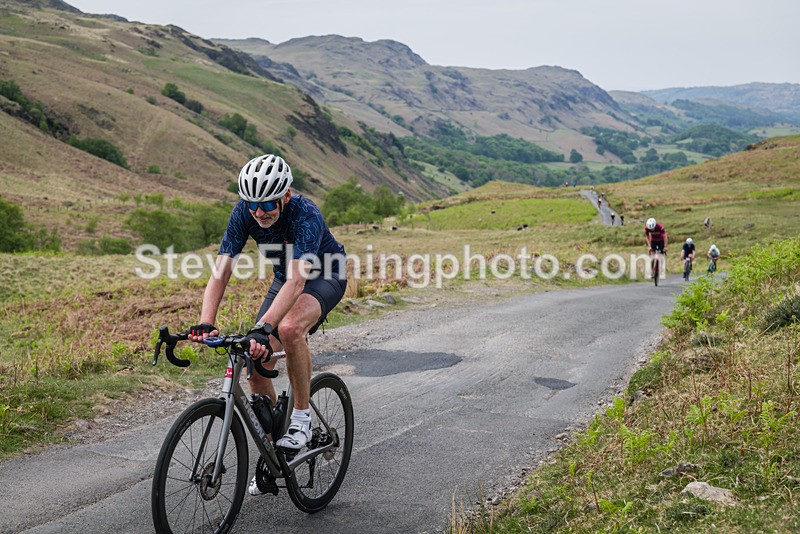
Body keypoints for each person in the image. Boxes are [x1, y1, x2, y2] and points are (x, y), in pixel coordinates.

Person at [188, 154, 347, 462]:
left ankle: (301, 419)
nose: (259, 213)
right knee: (255, 360)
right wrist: (206, 321)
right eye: (252, 204)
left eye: (268, 204)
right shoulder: (243, 212)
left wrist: (264, 328)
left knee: (289, 329)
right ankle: (274, 457)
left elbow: (298, 283)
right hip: (285, 278)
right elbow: (221, 271)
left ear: (286, 195)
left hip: (325, 275)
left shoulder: (306, 214)